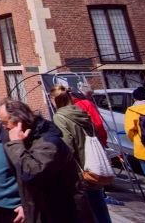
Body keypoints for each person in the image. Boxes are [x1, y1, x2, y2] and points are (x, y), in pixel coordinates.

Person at [0, 99, 80, 223]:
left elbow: (31, 172)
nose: (3, 127)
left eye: (5, 122)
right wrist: (24, 205)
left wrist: (15, 144)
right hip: (38, 209)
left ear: (19, 121)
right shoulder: (26, 140)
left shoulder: (49, 142)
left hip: (60, 213)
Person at [50, 85, 109, 223]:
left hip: (79, 170)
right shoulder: (81, 112)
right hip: (93, 165)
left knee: (85, 209)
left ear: (55, 100)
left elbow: (67, 146)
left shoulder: (60, 116)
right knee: (99, 206)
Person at [124, 86, 145, 177]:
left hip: (143, 146)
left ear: (134, 98)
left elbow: (130, 130)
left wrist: (135, 140)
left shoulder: (131, 111)